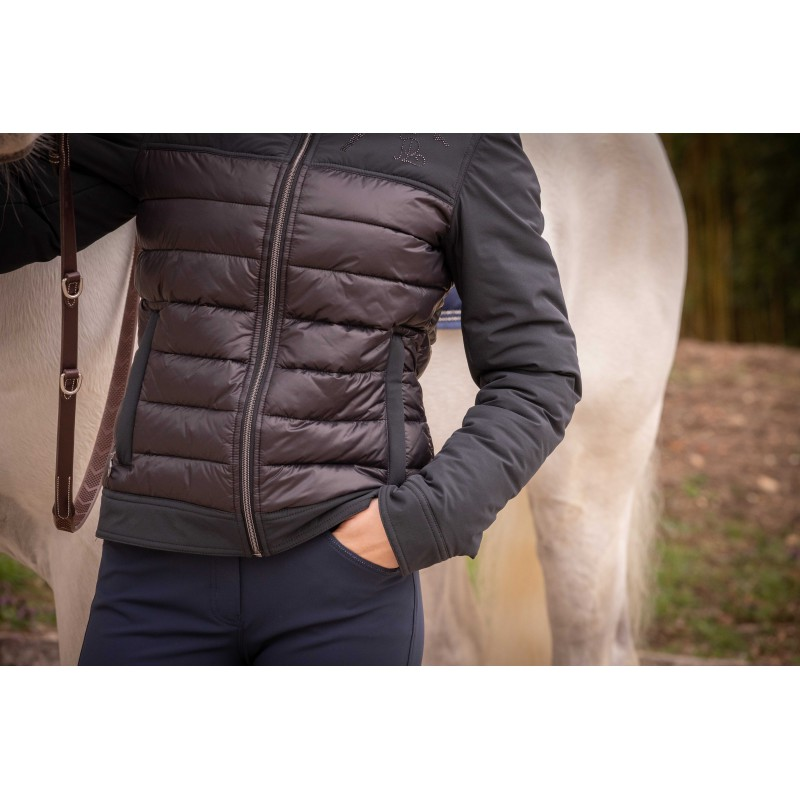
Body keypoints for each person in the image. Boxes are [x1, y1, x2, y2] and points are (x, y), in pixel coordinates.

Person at [0, 133, 582, 665]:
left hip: (343, 578)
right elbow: (24, 217)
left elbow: (538, 373)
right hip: (153, 571)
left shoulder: (463, 142)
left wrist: (417, 523)